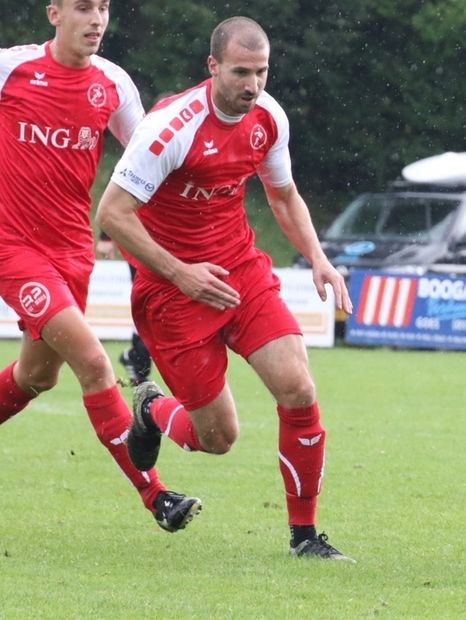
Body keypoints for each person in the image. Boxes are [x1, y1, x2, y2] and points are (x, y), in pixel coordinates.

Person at [95, 16, 355, 561]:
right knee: (217, 438)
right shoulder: (170, 128)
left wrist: (318, 259)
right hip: (171, 292)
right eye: (241, 72)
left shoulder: (268, 117)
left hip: (240, 271)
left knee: (299, 388)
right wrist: (181, 272)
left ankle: (304, 536)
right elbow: (114, 215)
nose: (252, 85)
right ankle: (152, 410)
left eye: (261, 72)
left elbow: (283, 198)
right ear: (212, 67)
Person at [0, 0, 200, 533]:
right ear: (54, 14)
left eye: (104, 8)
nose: (97, 19)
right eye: (84, 7)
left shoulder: (113, 83)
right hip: (14, 249)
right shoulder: (11, 69)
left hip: (73, 251)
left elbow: (148, 160)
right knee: (93, 362)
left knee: (35, 376)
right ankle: (155, 496)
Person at [95, 232, 152, 385]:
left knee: (160, 310)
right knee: (148, 302)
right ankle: (137, 359)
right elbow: (115, 208)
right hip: (143, 238)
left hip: (172, 240)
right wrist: (106, 236)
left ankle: (135, 357)